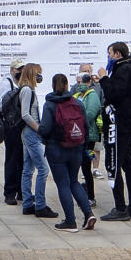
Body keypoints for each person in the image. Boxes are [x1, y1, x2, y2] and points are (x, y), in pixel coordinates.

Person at [40, 74, 96, 232]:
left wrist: (38, 132)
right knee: (74, 181)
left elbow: (45, 128)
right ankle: (88, 213)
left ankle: (70, 221)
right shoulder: (77, 103)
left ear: (52, 85)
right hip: (76, 148)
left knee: (63, 184)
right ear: (66, 86)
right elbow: (85, 125)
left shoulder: (50, 105)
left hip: (56, 149)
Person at [97, 42, 131, 221]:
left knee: (114, 163)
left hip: (119, 123)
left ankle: (121, 208)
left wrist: (103, 78)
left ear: (117, 54)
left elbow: (113, 93)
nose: (108, 57)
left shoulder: (123, 69)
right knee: (128, 163)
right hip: (127, 122)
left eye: (110, 53)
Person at [18, 63, 57, 218]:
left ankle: (28, 203)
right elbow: (25, 114)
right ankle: (40, 205)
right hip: (31, 132)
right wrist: (38, 128)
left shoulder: (29, 89)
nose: (40, 77)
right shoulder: (27, 90)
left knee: (28, 169)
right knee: (43, 169)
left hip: (29, 133)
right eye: (38, 74)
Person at [0, 59, 25, 205]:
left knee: (22, 158)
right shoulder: (6, 83)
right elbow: (0, 105)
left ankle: (21, 190)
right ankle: (10, 192)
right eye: (18, 69)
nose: (20, 72)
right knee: (12, 158)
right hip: (11, 125)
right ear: (12, 70)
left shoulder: (22, 83)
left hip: (21, 124)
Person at [71, 71, 102, 205]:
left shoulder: (93, 95)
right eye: (78, 82)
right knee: (78, 164)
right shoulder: (76, 96)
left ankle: (91, 196)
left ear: (89, 82)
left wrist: (76, 121)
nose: (80, 85)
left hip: (89, 136)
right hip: (77, 134)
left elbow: (90, 113)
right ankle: (82, 190)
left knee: (86, 165)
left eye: (83, 82)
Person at [78, 63, 105, 178]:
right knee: (86, 149)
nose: (87, 73)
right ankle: (86, 169)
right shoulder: (76, 87)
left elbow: (102, 101)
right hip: (81, 126)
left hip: (95, 124)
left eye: (89, 71)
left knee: (96, 148)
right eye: (84, 71)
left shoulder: (98, 86)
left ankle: (95, 168)